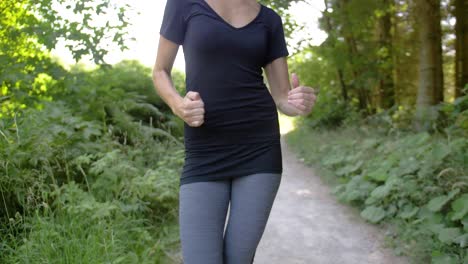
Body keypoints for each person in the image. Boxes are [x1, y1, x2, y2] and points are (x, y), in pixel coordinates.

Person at [152, 0, 317, 263]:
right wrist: (178, 105)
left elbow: (282, 97)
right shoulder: (184, 5)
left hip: (259, 149)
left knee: (238, 259)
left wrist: (298, 104)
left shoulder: (269, 20)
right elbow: (160, 71)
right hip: (204, 149)